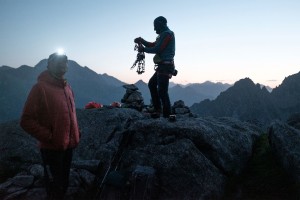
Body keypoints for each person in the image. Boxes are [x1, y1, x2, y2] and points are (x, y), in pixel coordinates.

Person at [20, 52, 80, 199]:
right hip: (51, 149)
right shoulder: (39, 88)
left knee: (64, 183)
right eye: (58, 61)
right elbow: (26, 120)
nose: (63, 64)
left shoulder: (68, 88)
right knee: (54, 187)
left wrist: (75, 132)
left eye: (65, 61)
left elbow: (68, 115)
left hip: (69, 146)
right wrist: (50, 137)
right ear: (49, 65)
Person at [134, 16, 176, 118]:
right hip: (164, 66)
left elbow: (158, 49)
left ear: (161, 24)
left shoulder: (167, 35)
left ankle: (167, 114)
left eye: (155, 26)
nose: (154, 29)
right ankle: (158, 109)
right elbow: (153, 44)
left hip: (165, 66)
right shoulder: (164, 35)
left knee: (162, 91)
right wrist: (142, 41)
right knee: (152, 84)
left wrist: (143, 49)